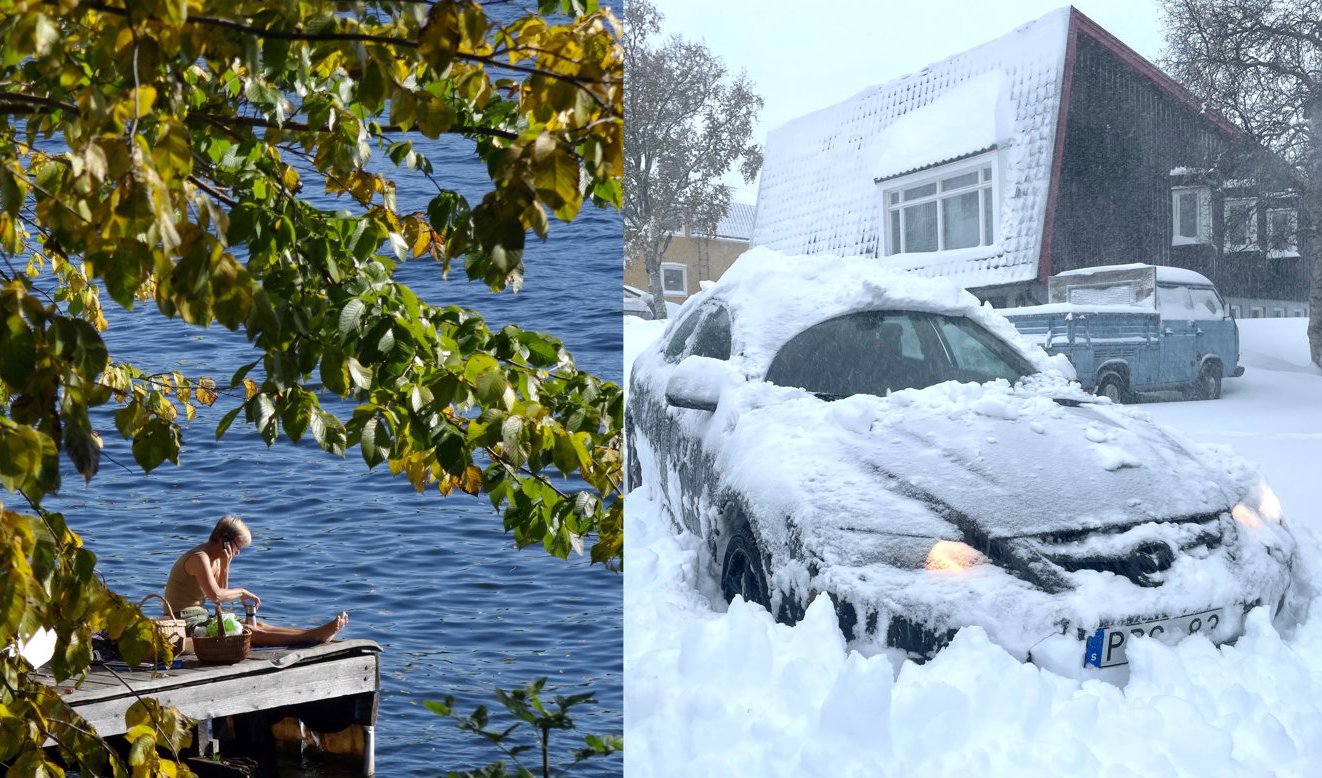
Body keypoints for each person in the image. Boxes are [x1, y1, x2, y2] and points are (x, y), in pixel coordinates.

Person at [163, 514, 349, 646]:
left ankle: (314, 633)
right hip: (183, 621)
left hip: (201, 616)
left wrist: (226, 565)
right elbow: (217, 596)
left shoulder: (217, 559)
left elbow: (220, 597)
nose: (238, 552)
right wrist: (242, 592)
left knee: (258, 625)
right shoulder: (199, 558)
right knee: (250, 632)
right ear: (224, 540)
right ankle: (313, 637)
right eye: (238, 547)